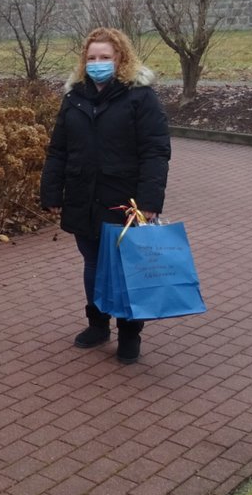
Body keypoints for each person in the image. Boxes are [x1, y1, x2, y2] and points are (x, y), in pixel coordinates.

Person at [39, 27, 170, 364]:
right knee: (94, 264)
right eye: (92, 57)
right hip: (83, 198)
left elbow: (155, 152)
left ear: (120, 59)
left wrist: (150, 203)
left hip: (124, 202)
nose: (97, 63)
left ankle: (130, 333)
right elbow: (59, 150)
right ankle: (98, 325)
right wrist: (52, 190)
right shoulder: (74, 98)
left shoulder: (141, 98)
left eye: (105, 58)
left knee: (126, 270)